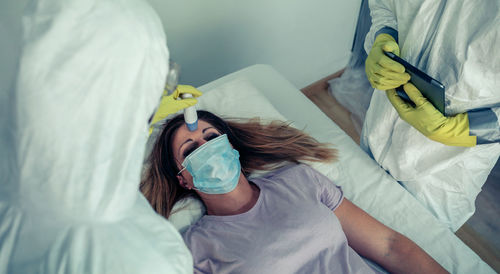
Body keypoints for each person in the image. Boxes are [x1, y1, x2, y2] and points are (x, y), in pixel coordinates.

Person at [140, 110, 447, 273]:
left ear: (230, 146)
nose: (206, 149)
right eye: (191, 149)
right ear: (184, 179)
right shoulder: (193, 247)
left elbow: (391, 246)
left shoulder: (299, 180)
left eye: (212, 137)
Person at [361, 0, 500, 230]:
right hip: (377, 132)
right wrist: (383, 35)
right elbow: (384, 6)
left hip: (442, 174)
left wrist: (464, 129)